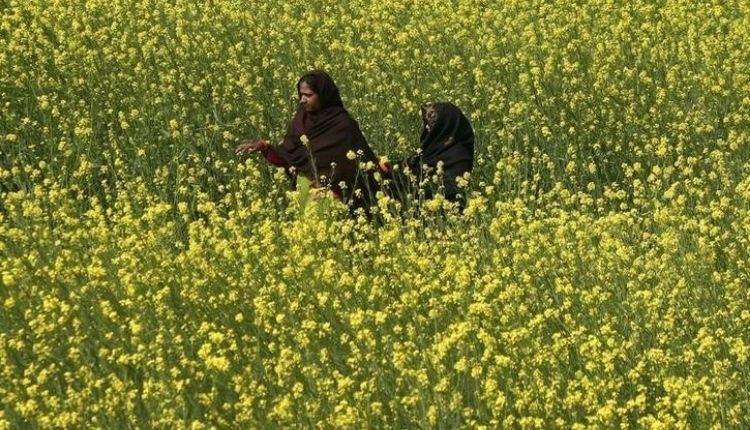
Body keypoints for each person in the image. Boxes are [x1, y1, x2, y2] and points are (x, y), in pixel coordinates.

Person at [235, 70, 381, 214]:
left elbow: (355, 170)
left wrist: (335, 189)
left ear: (323, 96)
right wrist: (264, 147)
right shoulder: (301, 120)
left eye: (308, 95)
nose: (302, 99)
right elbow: (290, 157)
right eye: (301, 94)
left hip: (328, 199)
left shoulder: (343, 125)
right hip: (303, 192)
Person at [388, 102, 475, 211]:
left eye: (432, 123)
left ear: (445, 126)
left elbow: (445, 192)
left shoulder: (458, 159)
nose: (427, 127)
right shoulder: (431, 151)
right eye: (427, 123)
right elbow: (406, 167)